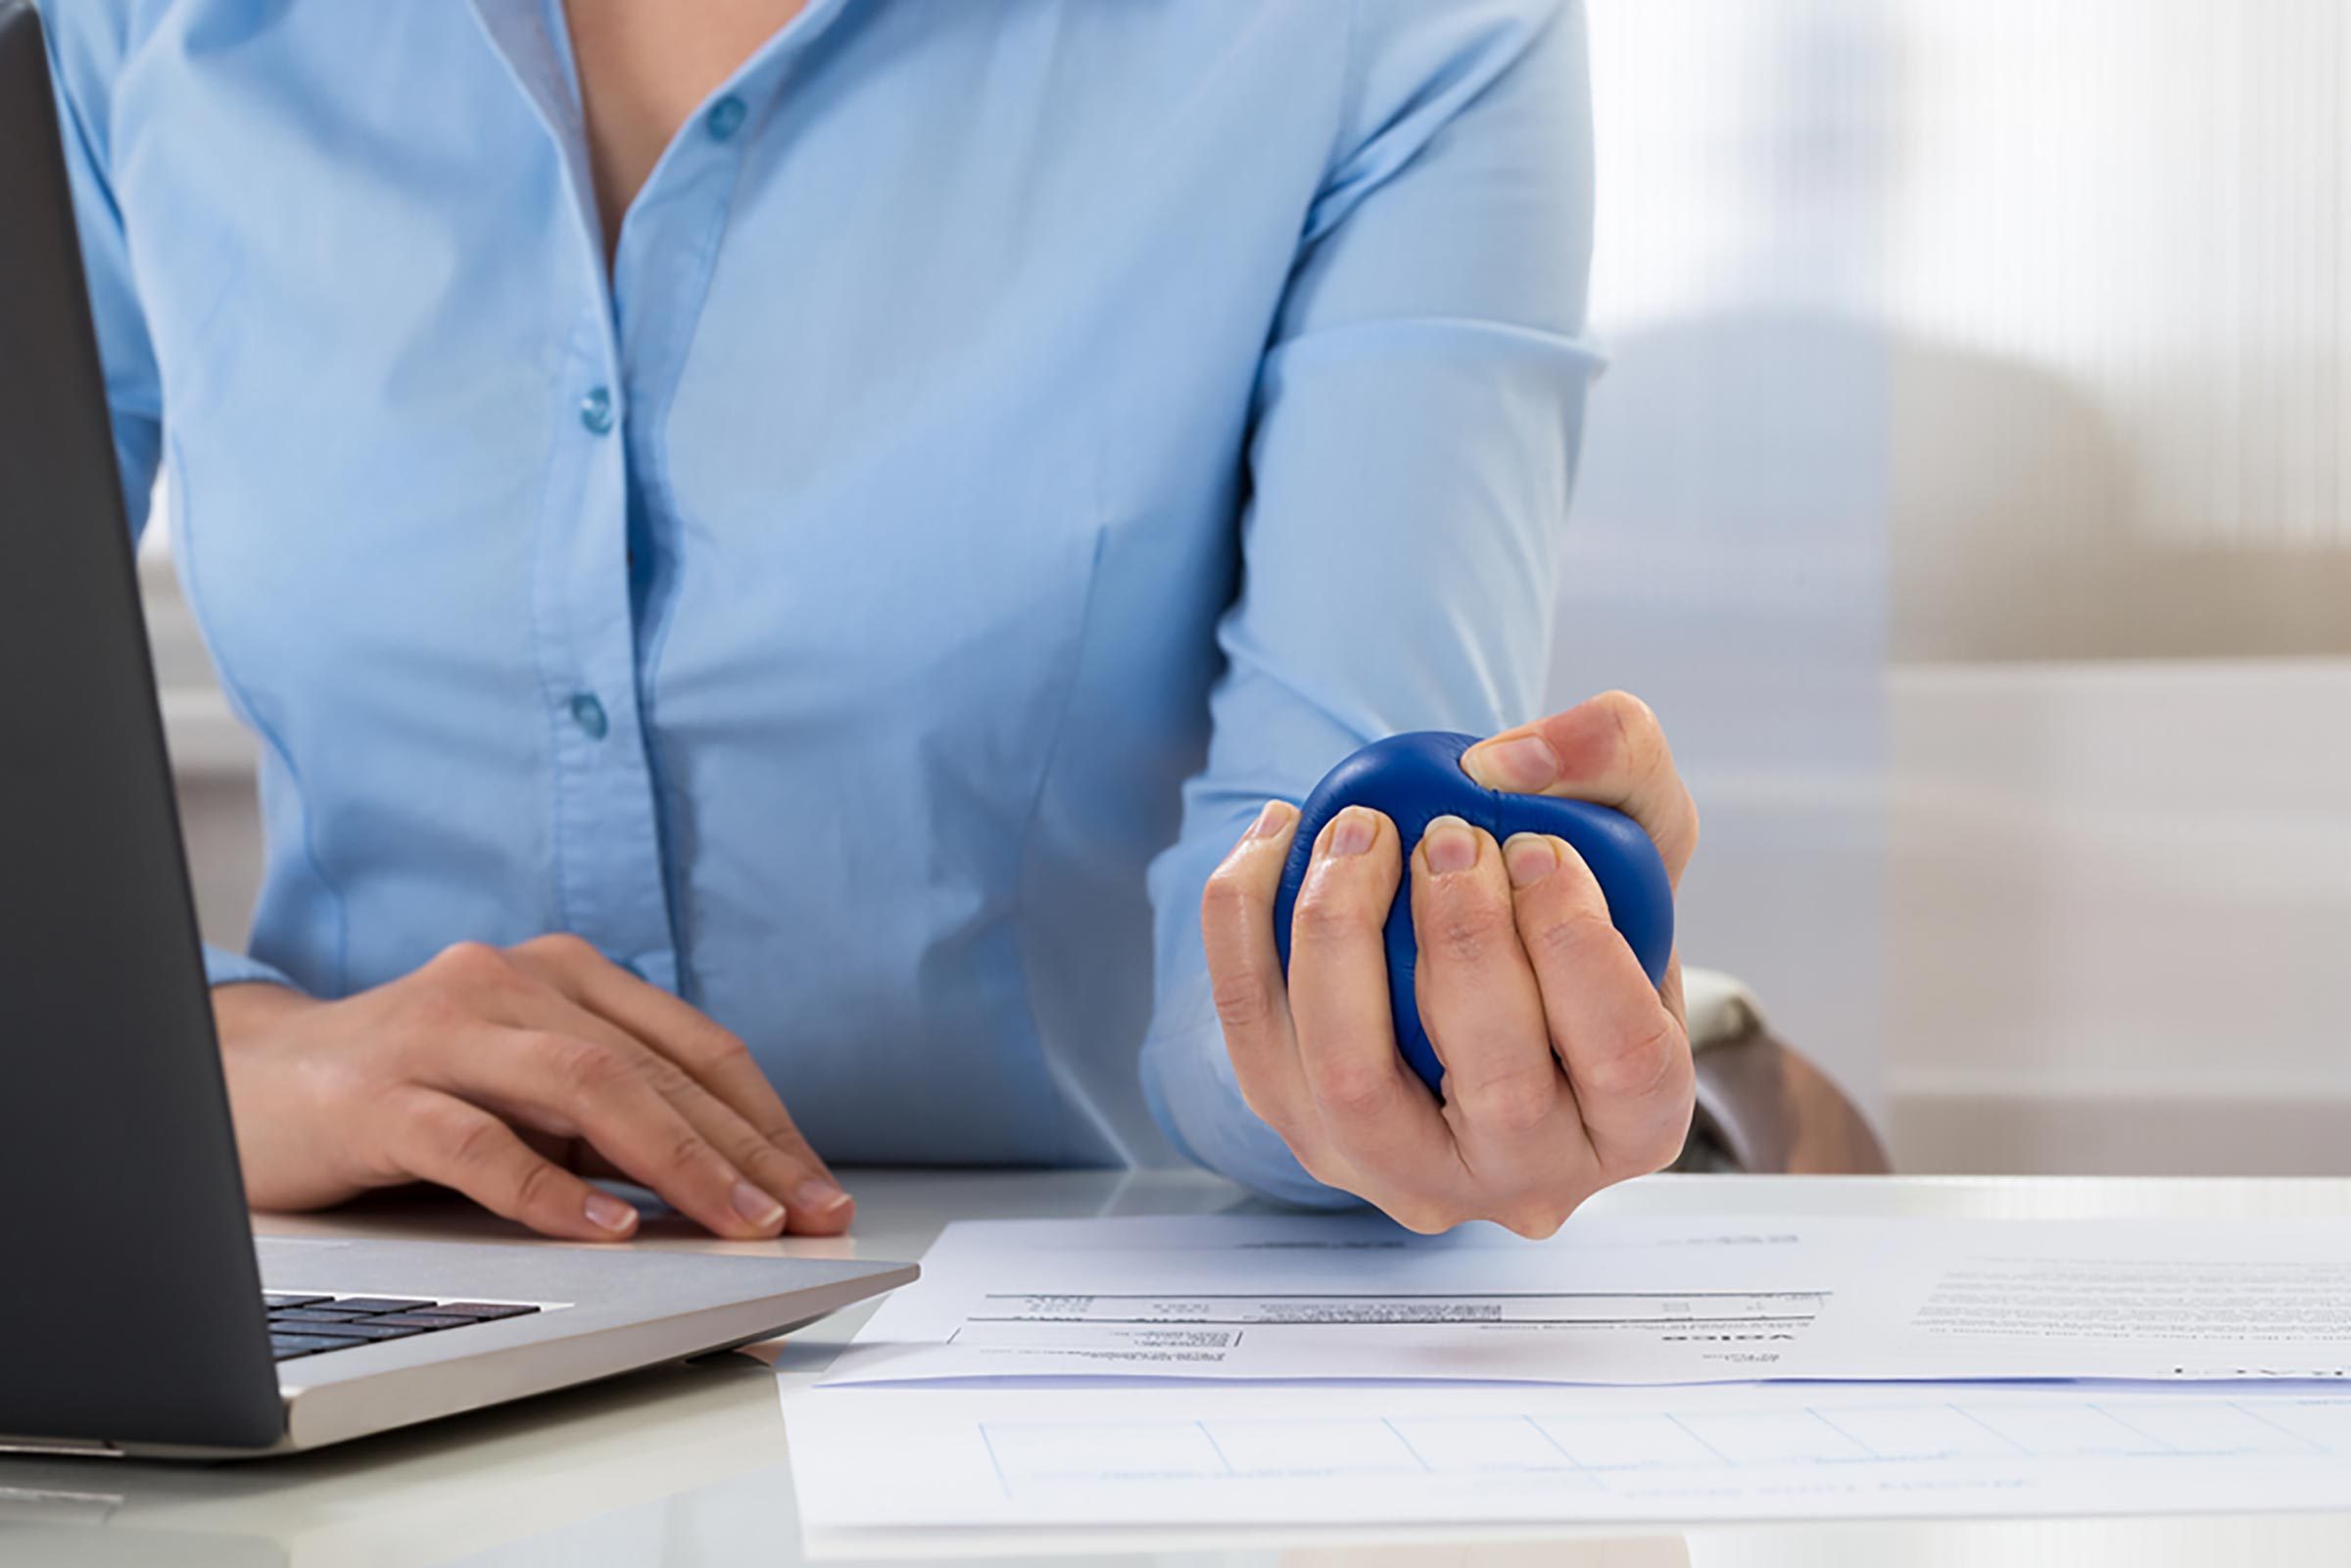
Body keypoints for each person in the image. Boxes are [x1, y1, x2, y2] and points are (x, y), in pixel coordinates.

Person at [43, 0, 1697, 1244]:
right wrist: (205, 1067)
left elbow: (1293, 889)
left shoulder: (1390, 36)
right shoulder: (117, 31)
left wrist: (1397, 1042)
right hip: (347, 1317)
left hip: (1048, 1376)